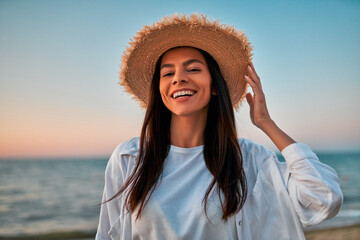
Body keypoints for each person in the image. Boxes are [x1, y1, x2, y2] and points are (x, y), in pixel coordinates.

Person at [95, 13, 343, 240]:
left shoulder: (250, 159)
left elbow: (323, 199)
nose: (179, 78)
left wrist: (267, 123)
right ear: (159, 90)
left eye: (193, 69)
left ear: (215, 86)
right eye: (167, 73)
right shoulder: (130, 158)